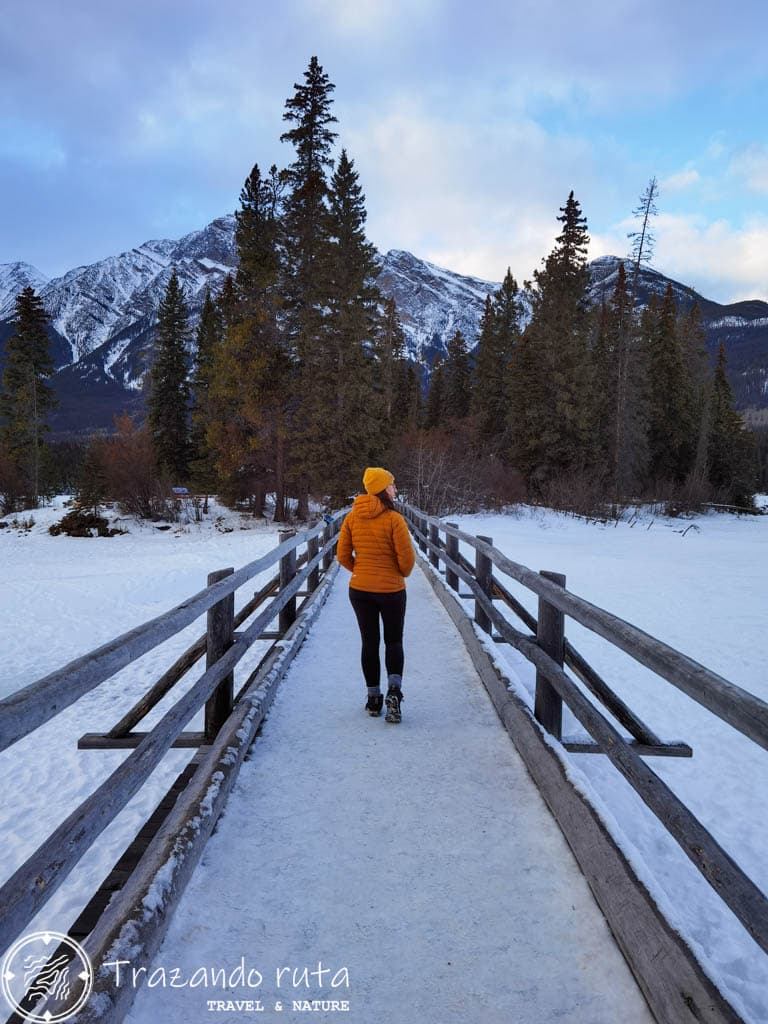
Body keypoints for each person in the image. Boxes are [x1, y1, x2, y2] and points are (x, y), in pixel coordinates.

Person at [337, 467, 415, 723]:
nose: (395, 489)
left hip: (360, 590)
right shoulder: (394, 519)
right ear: (382, 488)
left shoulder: (352, 517)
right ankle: (394, 693)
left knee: (369, 642)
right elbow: (407, 562)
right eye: (392, 485)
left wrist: (360, 570)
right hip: (391, 590)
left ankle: (373, 699)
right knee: (393, 642)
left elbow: (342, 555)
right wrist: (397, 572)